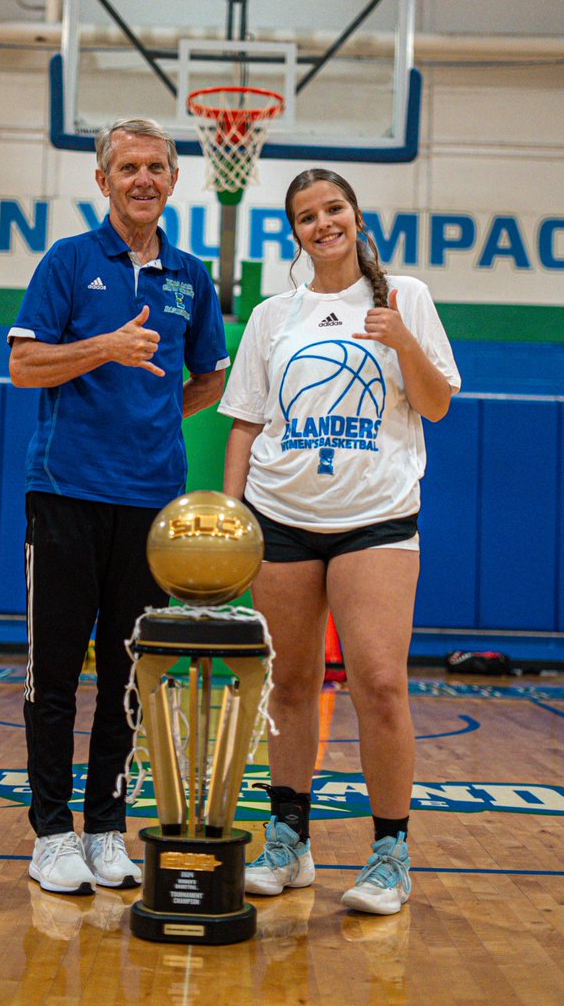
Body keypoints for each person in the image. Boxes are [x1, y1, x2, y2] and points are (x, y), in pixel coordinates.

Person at [219, 168, 460, 915]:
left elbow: (437, 405)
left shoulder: (403, 297)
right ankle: (287, 840)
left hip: (376, 518)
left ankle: (389, 854)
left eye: (333, 209)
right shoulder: (271, 315)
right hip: (280, 516)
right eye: (306, 216)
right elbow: (248, 423)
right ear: (292, 232)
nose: (322, 223)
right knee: (289, 689)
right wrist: (231, 520)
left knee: (379, 686)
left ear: (356, 217)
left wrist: (403, 344)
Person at [8, 118, 229, 896]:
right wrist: (104, 347)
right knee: (56, 673)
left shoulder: (191, 277)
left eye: (156, 167)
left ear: (174, 182)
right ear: (102, 181)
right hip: (65, 493)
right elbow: (24, 364)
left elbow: (211, 376)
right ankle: (51, 834)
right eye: (127, 167)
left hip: (149, 504)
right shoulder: (68, 262)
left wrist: (159, 416)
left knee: (131, 674)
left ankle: (105, 827)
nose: (143, 179)